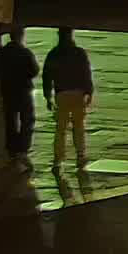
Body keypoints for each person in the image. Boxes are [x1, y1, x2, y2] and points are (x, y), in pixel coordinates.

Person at [41, 27, 92, 168]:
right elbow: (86, 73)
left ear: (59, 35)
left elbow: (47, 76)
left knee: (60, 129)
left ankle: (58, 158)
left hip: (61, 93)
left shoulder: (54, 54)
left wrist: (47, 97)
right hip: (77, 93)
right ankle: (80, 156)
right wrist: (89, 92)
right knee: (78, 127)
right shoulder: (79, 53)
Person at [0, 25, 38, 165]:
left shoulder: (2, 53)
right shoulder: (25, 52)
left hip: (8, 90)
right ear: (21, 36)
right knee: (27, 119)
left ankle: (12, 149)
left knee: (10, 119)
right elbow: (34, 71)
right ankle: (23, 148)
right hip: (23, 90)